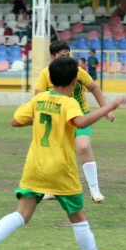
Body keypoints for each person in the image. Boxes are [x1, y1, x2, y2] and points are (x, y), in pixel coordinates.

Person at [0, 57, 126, 250]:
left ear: (50, 79)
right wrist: (109, 106)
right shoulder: (70, 103)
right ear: (74, 81)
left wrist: (42, 117)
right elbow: (80, 123)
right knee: (78, 217)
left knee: (21, 213)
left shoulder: (39, 99)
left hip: (35, 166)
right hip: (61, 169)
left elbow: (15, 121)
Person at [35, 41, 114, 204]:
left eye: (67, 55)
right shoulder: (45, 74)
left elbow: (94, 88)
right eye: (61, 56)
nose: (65, 58)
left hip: (80, 116)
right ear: (52, 57)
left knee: (84, 147)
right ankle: (53, 189)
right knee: (56, 154)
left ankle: (95, 190)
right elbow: (38, 98)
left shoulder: (78, 72)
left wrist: (105, 109)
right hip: (58, 119)